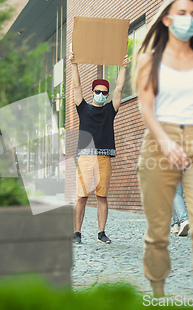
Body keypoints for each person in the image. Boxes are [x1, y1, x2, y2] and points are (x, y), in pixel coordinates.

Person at [135, 0, 193, 310]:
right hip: (160, 140)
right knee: (159, 229)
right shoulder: (149, 59)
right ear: (166, 19)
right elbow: (146, 107)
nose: (189, 17)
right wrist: (164, 141)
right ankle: (158, 295)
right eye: (182, 12)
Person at [70, 51, 129, 245]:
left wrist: (123, 68)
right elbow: (76, 86)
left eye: (105, 92)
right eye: (98, 91)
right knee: (82, 197)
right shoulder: (82, 107)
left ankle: (101, 232)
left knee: (102, 197)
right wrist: (74, 64)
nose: (101, 95)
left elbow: (120, 88)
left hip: (104, 159)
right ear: (92, 92)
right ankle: (77, 233)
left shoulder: (110, 110)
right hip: (85, 158)